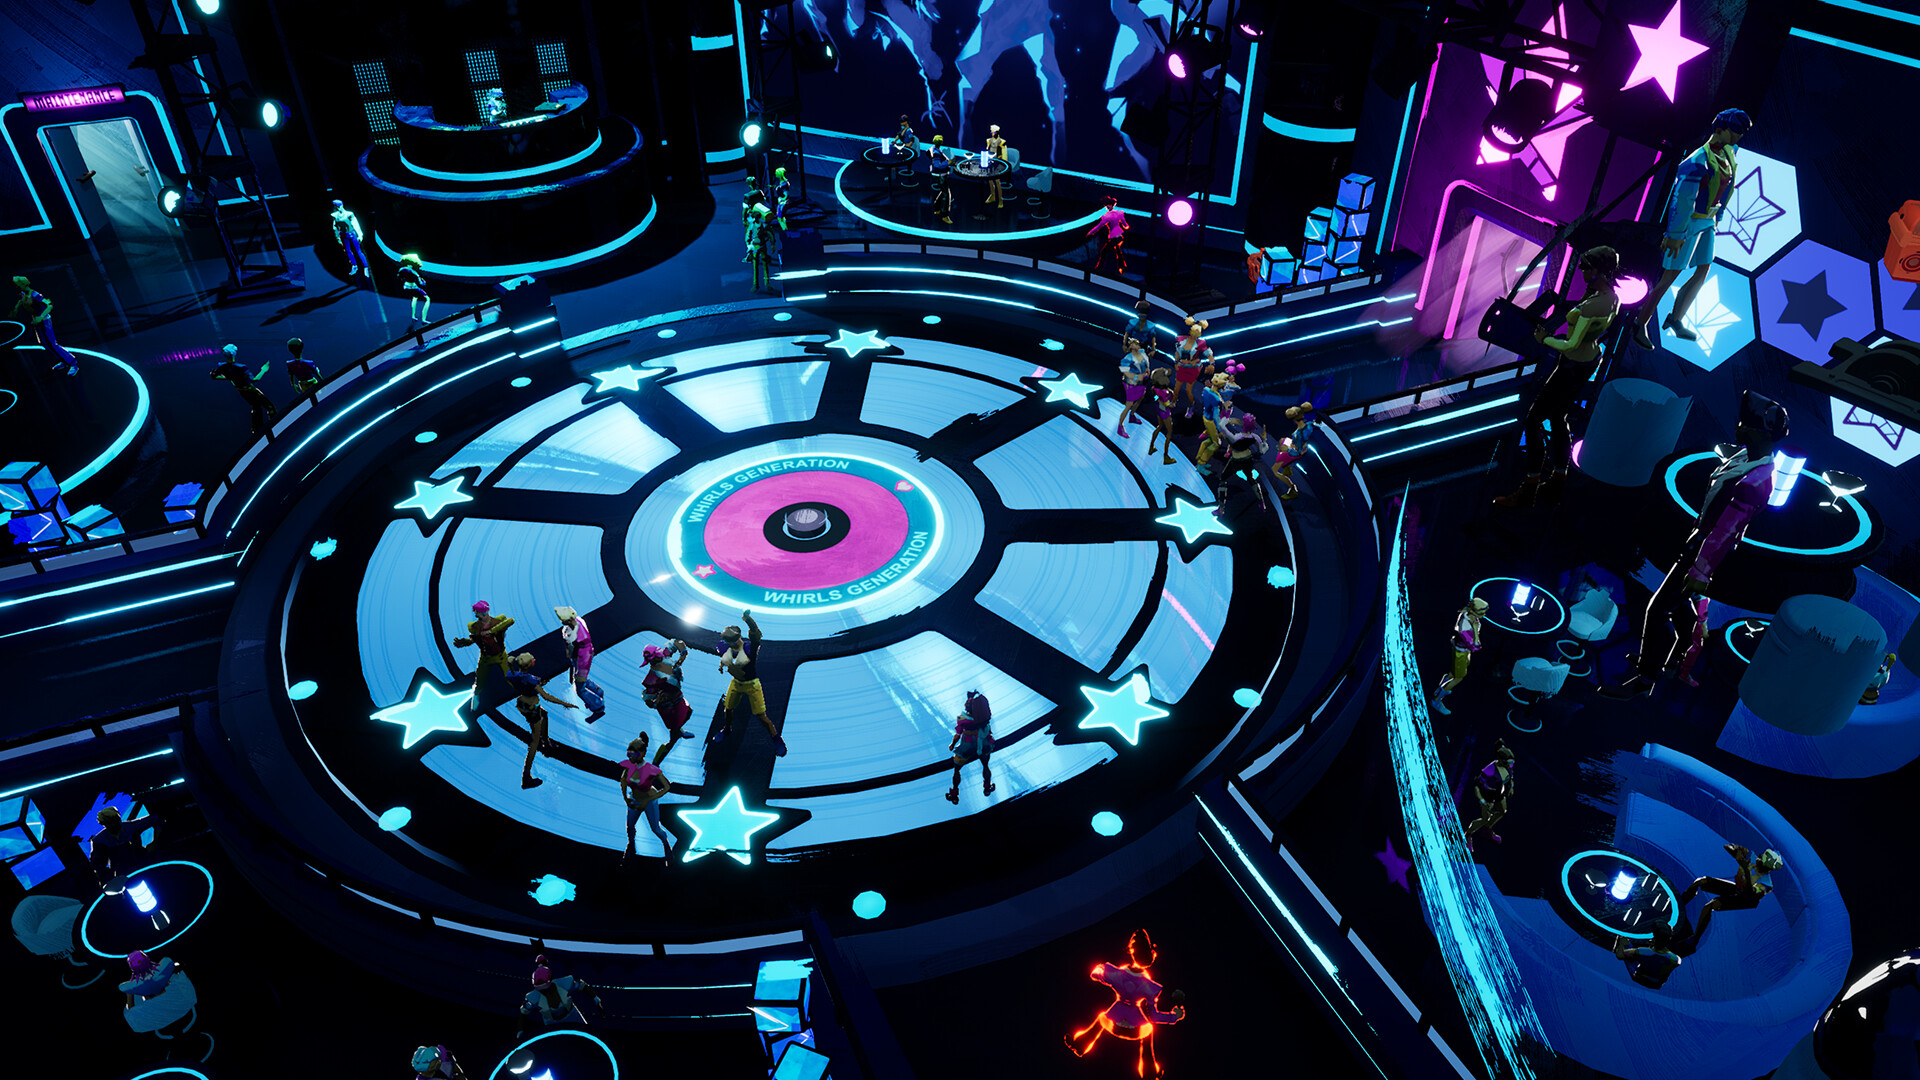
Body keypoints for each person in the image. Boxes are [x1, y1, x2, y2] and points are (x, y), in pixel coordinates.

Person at [1603, 391, 1789, 699]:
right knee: (1680, 608)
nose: (1738, 428)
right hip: (1698, 544)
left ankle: (1645, 679)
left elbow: (1725, 531)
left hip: (1706, 554)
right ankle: (1669, 659)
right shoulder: (1745, 458)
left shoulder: (1756, 481)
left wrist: (1701, 571)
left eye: (1745, 425)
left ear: (1763, 433)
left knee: (1658, 610)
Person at [1494, 246, 1622, 508]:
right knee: (1558, 416)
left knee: (1533, 419)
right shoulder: (1612, 298)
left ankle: (1529, 488)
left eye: (1586, 267)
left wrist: (1545, 339)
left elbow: (1571, 345)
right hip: (1588, 361)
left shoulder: (1594, 304)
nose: (1582, 272)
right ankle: (1558, 480)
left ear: (1598, 270)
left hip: (1572, 364)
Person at [1630, 109, 1752, 350]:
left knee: (1703, 270)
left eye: (1740, 132)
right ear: (1720, 129)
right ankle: (1640, 322)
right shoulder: (1697, 161)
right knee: (1669, 277)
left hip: (1709, 221)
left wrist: (1718, 217)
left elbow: (1726, 189)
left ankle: (1676, 318)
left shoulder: (1729, 153)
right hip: (1689, 224)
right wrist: (1675, 234)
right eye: (1735, 131)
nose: (1738, 136)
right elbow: (1682, 199)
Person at [1065, 929, 1186, 1080]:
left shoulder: (1117, 974)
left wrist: (1100, 971)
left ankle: (1079, 1046)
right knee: (1148, 1032)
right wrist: (1174, 1016)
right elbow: (1154, 1016)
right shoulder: (1150, 987)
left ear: (1132, 951)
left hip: (1113, 1023)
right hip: (1135, 1030)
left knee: (1101, 1018)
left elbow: (1095, 975)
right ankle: (1149, 1074)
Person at [1674, 843, 1783, 955]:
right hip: (1738, 888)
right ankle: (1681, 903)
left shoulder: (1766, 884)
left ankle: (1694, 939)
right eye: (1760, 858)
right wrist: (1736, 852)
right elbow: (1728, 846)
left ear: (1767, 869)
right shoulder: (1752, 857)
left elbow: (1748, 893)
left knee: (1711, 905)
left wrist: (1746, 870)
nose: (1758, 861)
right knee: (1701, 881)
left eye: (1761, 864)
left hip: (1746, 899)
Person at [712, 609, 788, 756]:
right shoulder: (726, 647)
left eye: (732, 641)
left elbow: (755, 633)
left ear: (738, 638)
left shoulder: (749, 648)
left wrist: (748, 619)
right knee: (728, 709)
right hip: (736, 683)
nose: (731, 644)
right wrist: (722, 665)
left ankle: (776, 739)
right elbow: (725, 657)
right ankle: (726, 729)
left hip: (752, 685)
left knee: (761, 715)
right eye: (728, 642)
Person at [506, 653, 576, 790]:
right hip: (532, 708)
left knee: (544, 714)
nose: (535, 660)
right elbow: (547, 697)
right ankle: (526, 777)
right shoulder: (531, 680)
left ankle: (546, 742)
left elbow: (522, 684)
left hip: (523, 703)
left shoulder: (513, 674)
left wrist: (535, 686)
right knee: (534, 742)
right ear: (528, 665)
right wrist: (566, 704)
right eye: (532, 660)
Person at [620, 736, 677, 864]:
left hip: (650, 801)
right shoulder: (628, 767)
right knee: (630, 826)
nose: (631, 757)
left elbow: (667, 787)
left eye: (634, 754)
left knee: (655, 828)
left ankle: (666, 845)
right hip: (635, 799)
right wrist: (626, 799)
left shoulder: (651, 769)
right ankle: (631, 845)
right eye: (629, 754)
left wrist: (651, 798)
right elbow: (623, 782)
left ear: (643, 754)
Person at [518, 954, 604, 1037]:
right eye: (541, 990)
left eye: (546, 989)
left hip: (572, 1016)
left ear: (550, 982)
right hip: (551, 1023)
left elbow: (582, 986)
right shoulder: (534, 997)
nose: (545, 992)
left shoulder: (564, 984)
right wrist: (520, 1031)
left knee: (584, 1036)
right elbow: (524, 1012)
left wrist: (596, 1000)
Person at [1430, 596, 1490, 715]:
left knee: (1453, 673)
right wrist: (1475, 630)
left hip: (1461, 650)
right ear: (1473, 611)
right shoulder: (1466, 626)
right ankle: (1437, 700)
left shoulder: (1468, 616)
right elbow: (1475, 646)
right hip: (1461, 653)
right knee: (1458, 677)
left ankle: (1440, 689)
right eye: (1481, 613)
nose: (1484, 615)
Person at [10, 276, 80, 375]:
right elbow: (21, 300)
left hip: (44, 321)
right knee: (44, 344)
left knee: (52, 343)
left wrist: (41, 317)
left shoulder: (35, 295)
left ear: (23, 284)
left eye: (18, 285)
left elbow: (49, 305)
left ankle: (72, 363)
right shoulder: (23, 294)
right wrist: (15, 309)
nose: (16, 287)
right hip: (37, 322)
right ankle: (63, 360)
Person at [642, 640, 697, 761]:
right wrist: (656, 702)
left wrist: (683, 654)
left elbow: (676, 642)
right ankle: (656, 762)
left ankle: (679, 730)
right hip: (668, 708)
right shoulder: (652, 677)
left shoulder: (665, 656)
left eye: (656, 659)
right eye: (652, 661)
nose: (655, 662)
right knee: (673, 738)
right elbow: (648, 699)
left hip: (678, 697)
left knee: (689, 711)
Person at [451, 600, 515, 699]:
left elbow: (511, 620)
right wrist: (465, 642)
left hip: (501, 655)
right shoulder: (475, 627)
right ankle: (476, 698)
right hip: (485, 658)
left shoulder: (498, 621)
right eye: (477, 613)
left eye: (481, 612)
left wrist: (492, 631)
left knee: (510, 678)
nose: (479, 615)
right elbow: (473, 640)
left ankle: (522, 693)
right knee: (479, 682)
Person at [210, 343, 278, 435]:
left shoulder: (221, 366)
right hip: (251, 390)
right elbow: (254, 379)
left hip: (241, 391)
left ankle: (256, 430)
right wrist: (263, 370)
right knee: (270, 407)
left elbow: (214, 376)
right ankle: (276, 426)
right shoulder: (241, 367)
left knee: (256, 407)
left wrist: (230, 377)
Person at [1215, 408, 1272, 514]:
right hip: (1247, 459)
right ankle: (1261, 502)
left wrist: (1228, 418)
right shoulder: (1255, 437)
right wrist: (1264, 441)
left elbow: (1221, 426)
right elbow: (1261, 451)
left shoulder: (1236, 438)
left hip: (1236, 461)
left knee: (1223, 479)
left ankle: (1221, 508)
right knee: (1251, 479)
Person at [1462, 740, 1516, 851]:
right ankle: (1468, 834)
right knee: (1485, 818)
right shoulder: (1490, 770)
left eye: (1511, 762)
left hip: (1499, 793)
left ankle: (1487, 829)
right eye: (1508, 762)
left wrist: (1511, 787)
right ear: (1501, 761)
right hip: (1488, 796)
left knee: (1502, 811)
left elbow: (1510, 778)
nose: (1510, 765)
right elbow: (1477, 786)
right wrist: (1482, 800)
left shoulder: (1508, 767)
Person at [554, 605, 605, 722]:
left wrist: (571, 658)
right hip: (582, 655)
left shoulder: (575, 636)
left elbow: (572, 650)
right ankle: (598, 692)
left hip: (582, 659)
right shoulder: (578, 620)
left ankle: (598, 708)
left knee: (580, 689)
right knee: (580, 680)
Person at [88, 805, 154, 889]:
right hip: (122, 874)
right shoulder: (99, 840)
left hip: (143, 864)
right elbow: (98, 866)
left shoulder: (131, 827)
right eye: (109, 822)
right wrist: (104, 884)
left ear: (118, 818)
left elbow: (157, 819)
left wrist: (154, 843)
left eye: (114, 820)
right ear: (104, 824)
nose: (113, 824)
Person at [945, 690, 994, 803]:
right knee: (985, 765)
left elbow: (958, 735)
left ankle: (954, 792)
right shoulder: (981, 719)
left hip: (967, 747)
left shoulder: (963, 719)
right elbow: (988, 729)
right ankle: (987, 785)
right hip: (983, 744)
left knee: (956, 769)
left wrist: (952, 744)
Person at [1614, 922, 1683, 989]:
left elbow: (1620, 955)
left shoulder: (1643, 952)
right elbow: (1658, 960)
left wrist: (1621, 944)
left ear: (1655, 938)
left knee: (1626, 943)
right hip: (1658, 984)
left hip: (1640, 979)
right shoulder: (1676, 959)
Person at [1171, 318, 1214, 415]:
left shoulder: (1201, 343)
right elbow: (1177, 353)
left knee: (1188, 390)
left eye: (1197, 334)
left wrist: (1212, 364)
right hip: (1182, 367)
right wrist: (1176, 362)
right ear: (1190, 331)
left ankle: (1191, 405)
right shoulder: (1180, 339)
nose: (1195, 335)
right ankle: (1173, 402)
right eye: (1194, 332)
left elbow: (1209, 354)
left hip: (1193, 368)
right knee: (1176, 389)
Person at [1115, 336, 1153, 436]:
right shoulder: (1128, 358)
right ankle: (1120, 426)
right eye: (1135, 344)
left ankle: (1132, 415)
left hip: (1141, 382)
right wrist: (1137, 377)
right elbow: (1124, 371)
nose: (1137, 346)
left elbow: (1146, 365)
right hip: (1131, 383)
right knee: (1129, 404)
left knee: (1141, 397)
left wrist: (1147, 372)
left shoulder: (1143, 353)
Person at [1142, 368, 1179, 467]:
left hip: (1158, 409)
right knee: (1169, 432)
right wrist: (1172, 404)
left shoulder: (1154, 388)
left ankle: (1151, 447)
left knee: (1159, 426)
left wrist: (1160, 401)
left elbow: (1156, 398)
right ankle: (1166, 456)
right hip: (1165, 412)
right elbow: (1168, 404)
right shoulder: (1165, 392)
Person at [1196, 371, 1233, 467]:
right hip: (1211, 421)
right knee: (1216, 444)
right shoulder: (1217, 400)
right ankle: (1201, 463)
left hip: (1205, 416)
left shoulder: (1206, 390)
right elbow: (1216, 417)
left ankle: (1199, 456)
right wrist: (1220, 429)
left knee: (1210, 439)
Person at [329, 199, 370, 279]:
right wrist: (337, 237)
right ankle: (354, 265)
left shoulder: (349, 214)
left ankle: (366, 267)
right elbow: (335, 227)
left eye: (338, 206)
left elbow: (355, 223)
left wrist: (360, 234)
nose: (337, 208)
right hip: (343, 235)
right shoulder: (335, 215)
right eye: (336, 207)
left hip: (351, 233)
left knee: (358, 251)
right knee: (348, 251)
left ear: (342, 206)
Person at [1088, 196, 1129, 275]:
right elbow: (1126, 225)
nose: (1106, 207)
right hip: (1118, 236)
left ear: (1110, 205)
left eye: (1107, 205)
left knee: (1105, 251)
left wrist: (1090, 232)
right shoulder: (1118, 214)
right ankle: (1122, 267)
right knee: (1117, 251)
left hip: (1116, 237)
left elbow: (1099, 226)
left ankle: (1099, 269)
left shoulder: (1108, 216)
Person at [744, 206, 775, 293]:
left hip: (762, 246)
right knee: (755, 266)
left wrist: (772, 244)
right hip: (755, 247)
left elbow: (770, 234)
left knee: (765, 265)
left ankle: (767, 283)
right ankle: (756, 284)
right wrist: (748, 245)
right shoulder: (752, 225)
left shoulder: (763, 226)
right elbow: (748, 235)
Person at [398, 254, 432, 327]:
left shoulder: (401, 269)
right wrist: (423, 281)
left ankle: (413, 316)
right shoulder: (414, 272)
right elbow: (421, 283)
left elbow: (399, 278)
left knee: (415, 297)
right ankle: (424, 319)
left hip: (406, 287)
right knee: (427, 299)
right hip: (414, 287)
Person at [983, 123, 1009, 209]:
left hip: (998, 163)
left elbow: (1004, 155)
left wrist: (1003, 165)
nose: (992, 133)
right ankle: (992, 195)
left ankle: (1000, 199)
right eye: (991, 132)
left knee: (997, 182)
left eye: (993, 132)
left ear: (997, 132)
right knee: (990, 179)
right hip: (990, 162)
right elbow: (987, 150)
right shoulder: (989, 140)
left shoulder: (1002, 142)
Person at [771, 166, 792, 231]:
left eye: (776, 173)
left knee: (780, 218)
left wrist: (781, 199)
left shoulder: (784, 184)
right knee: (782, 217)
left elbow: (786, 195)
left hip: (783, 203)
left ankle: (785, 230)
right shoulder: (783, 182)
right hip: (783, 202)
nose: (775, 174)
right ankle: (785, 229)